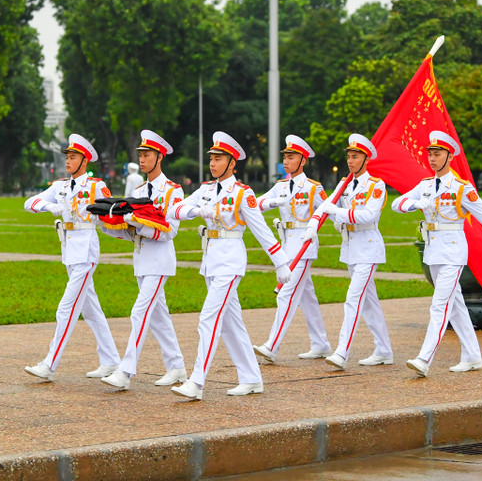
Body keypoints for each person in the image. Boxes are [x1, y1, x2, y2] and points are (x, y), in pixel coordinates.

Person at [168, 132, 291, 400]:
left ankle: (196, 382)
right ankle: (251, 378)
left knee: (209, 319)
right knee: (232, 324)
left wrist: (281, 263)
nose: (213, 163)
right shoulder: (206, 190)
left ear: (232, 163)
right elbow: (174, 210)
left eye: (219, 158)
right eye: (211, 158)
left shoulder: (243, 194)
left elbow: (261, 231)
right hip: (211, 260)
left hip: (230, 261)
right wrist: (197, 211)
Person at [392, 130, 482, 377]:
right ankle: (472, 356)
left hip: (453, 252)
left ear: (449, 156)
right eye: (430, 153)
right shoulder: (425, 186)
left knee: (439, 305)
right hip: (433, 251)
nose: (432, 158)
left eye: (437, 153)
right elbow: (395, 204)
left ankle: (424, 358)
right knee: (456, 306)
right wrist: (414, 204)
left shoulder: (462, 189)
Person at [22, 134, 120, 381]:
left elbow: (110, 215)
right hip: (68, 250)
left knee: (66, 308)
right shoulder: (61, 186)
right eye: (67, 156)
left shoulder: (96, 186)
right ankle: (111, 361)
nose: (68, 160)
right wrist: (48, 206)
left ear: (85, 161)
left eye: (73, 157)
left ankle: (50, 364)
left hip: (87, 250)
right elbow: (28, 203)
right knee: (91, 310)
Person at [99, 130, 187, 391]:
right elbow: (131, 232)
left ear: (159, 157)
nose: (142, 159)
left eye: (147, 155)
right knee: (159, 317)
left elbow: (170, 231)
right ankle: (177, 366)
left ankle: (125, 371)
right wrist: (108, 224)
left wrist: (137, 222)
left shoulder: (173, 191)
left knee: (140, 312)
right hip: (142, 259)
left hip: (160, 260)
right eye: (140, 154)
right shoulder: (138, 190)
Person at [252, 134, 332, 364]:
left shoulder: (313, 188)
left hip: (304, 244)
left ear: (303, 160)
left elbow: (326, 210)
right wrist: (272, 203)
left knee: (286, 293)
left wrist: (316, 224)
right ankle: (321, 344)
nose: (286, 161)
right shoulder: (280, 187)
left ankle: (272, 345)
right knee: (307, 297)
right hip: (287, 242)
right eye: (285, 156)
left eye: (292, 157)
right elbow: (255, 205)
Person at [316, 133, 393, 370]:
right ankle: (384, 350)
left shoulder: (376, 185)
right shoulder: (344, 184)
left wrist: (336, 214)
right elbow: (327, 209)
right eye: (349, 156)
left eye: (355, 156)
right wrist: (335, 219)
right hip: (350, 247)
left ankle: (342, 352)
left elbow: (368, 215)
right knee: (369, 302)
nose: (350, 161)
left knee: (353, 298)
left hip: (368, 247)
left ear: (366, 159)